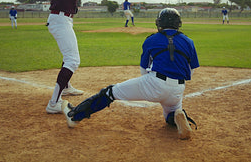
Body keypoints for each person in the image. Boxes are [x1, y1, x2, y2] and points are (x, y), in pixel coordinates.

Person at [61, 8, 199, 140]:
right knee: (170, 114)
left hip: (155, 83)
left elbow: (143, 69)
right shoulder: (189, 41)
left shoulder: (151, 39)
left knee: (109, 92)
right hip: (178, 89)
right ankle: (178, 116)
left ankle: (74, 116)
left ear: (160, 22)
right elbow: (191, 70)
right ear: (178, 23)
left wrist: (147, 88)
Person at [45, 0, 96, 114]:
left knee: (69, 56)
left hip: (66, 20)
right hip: (59, 19)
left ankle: (65, 87)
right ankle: (54, 103)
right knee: (73, 60)